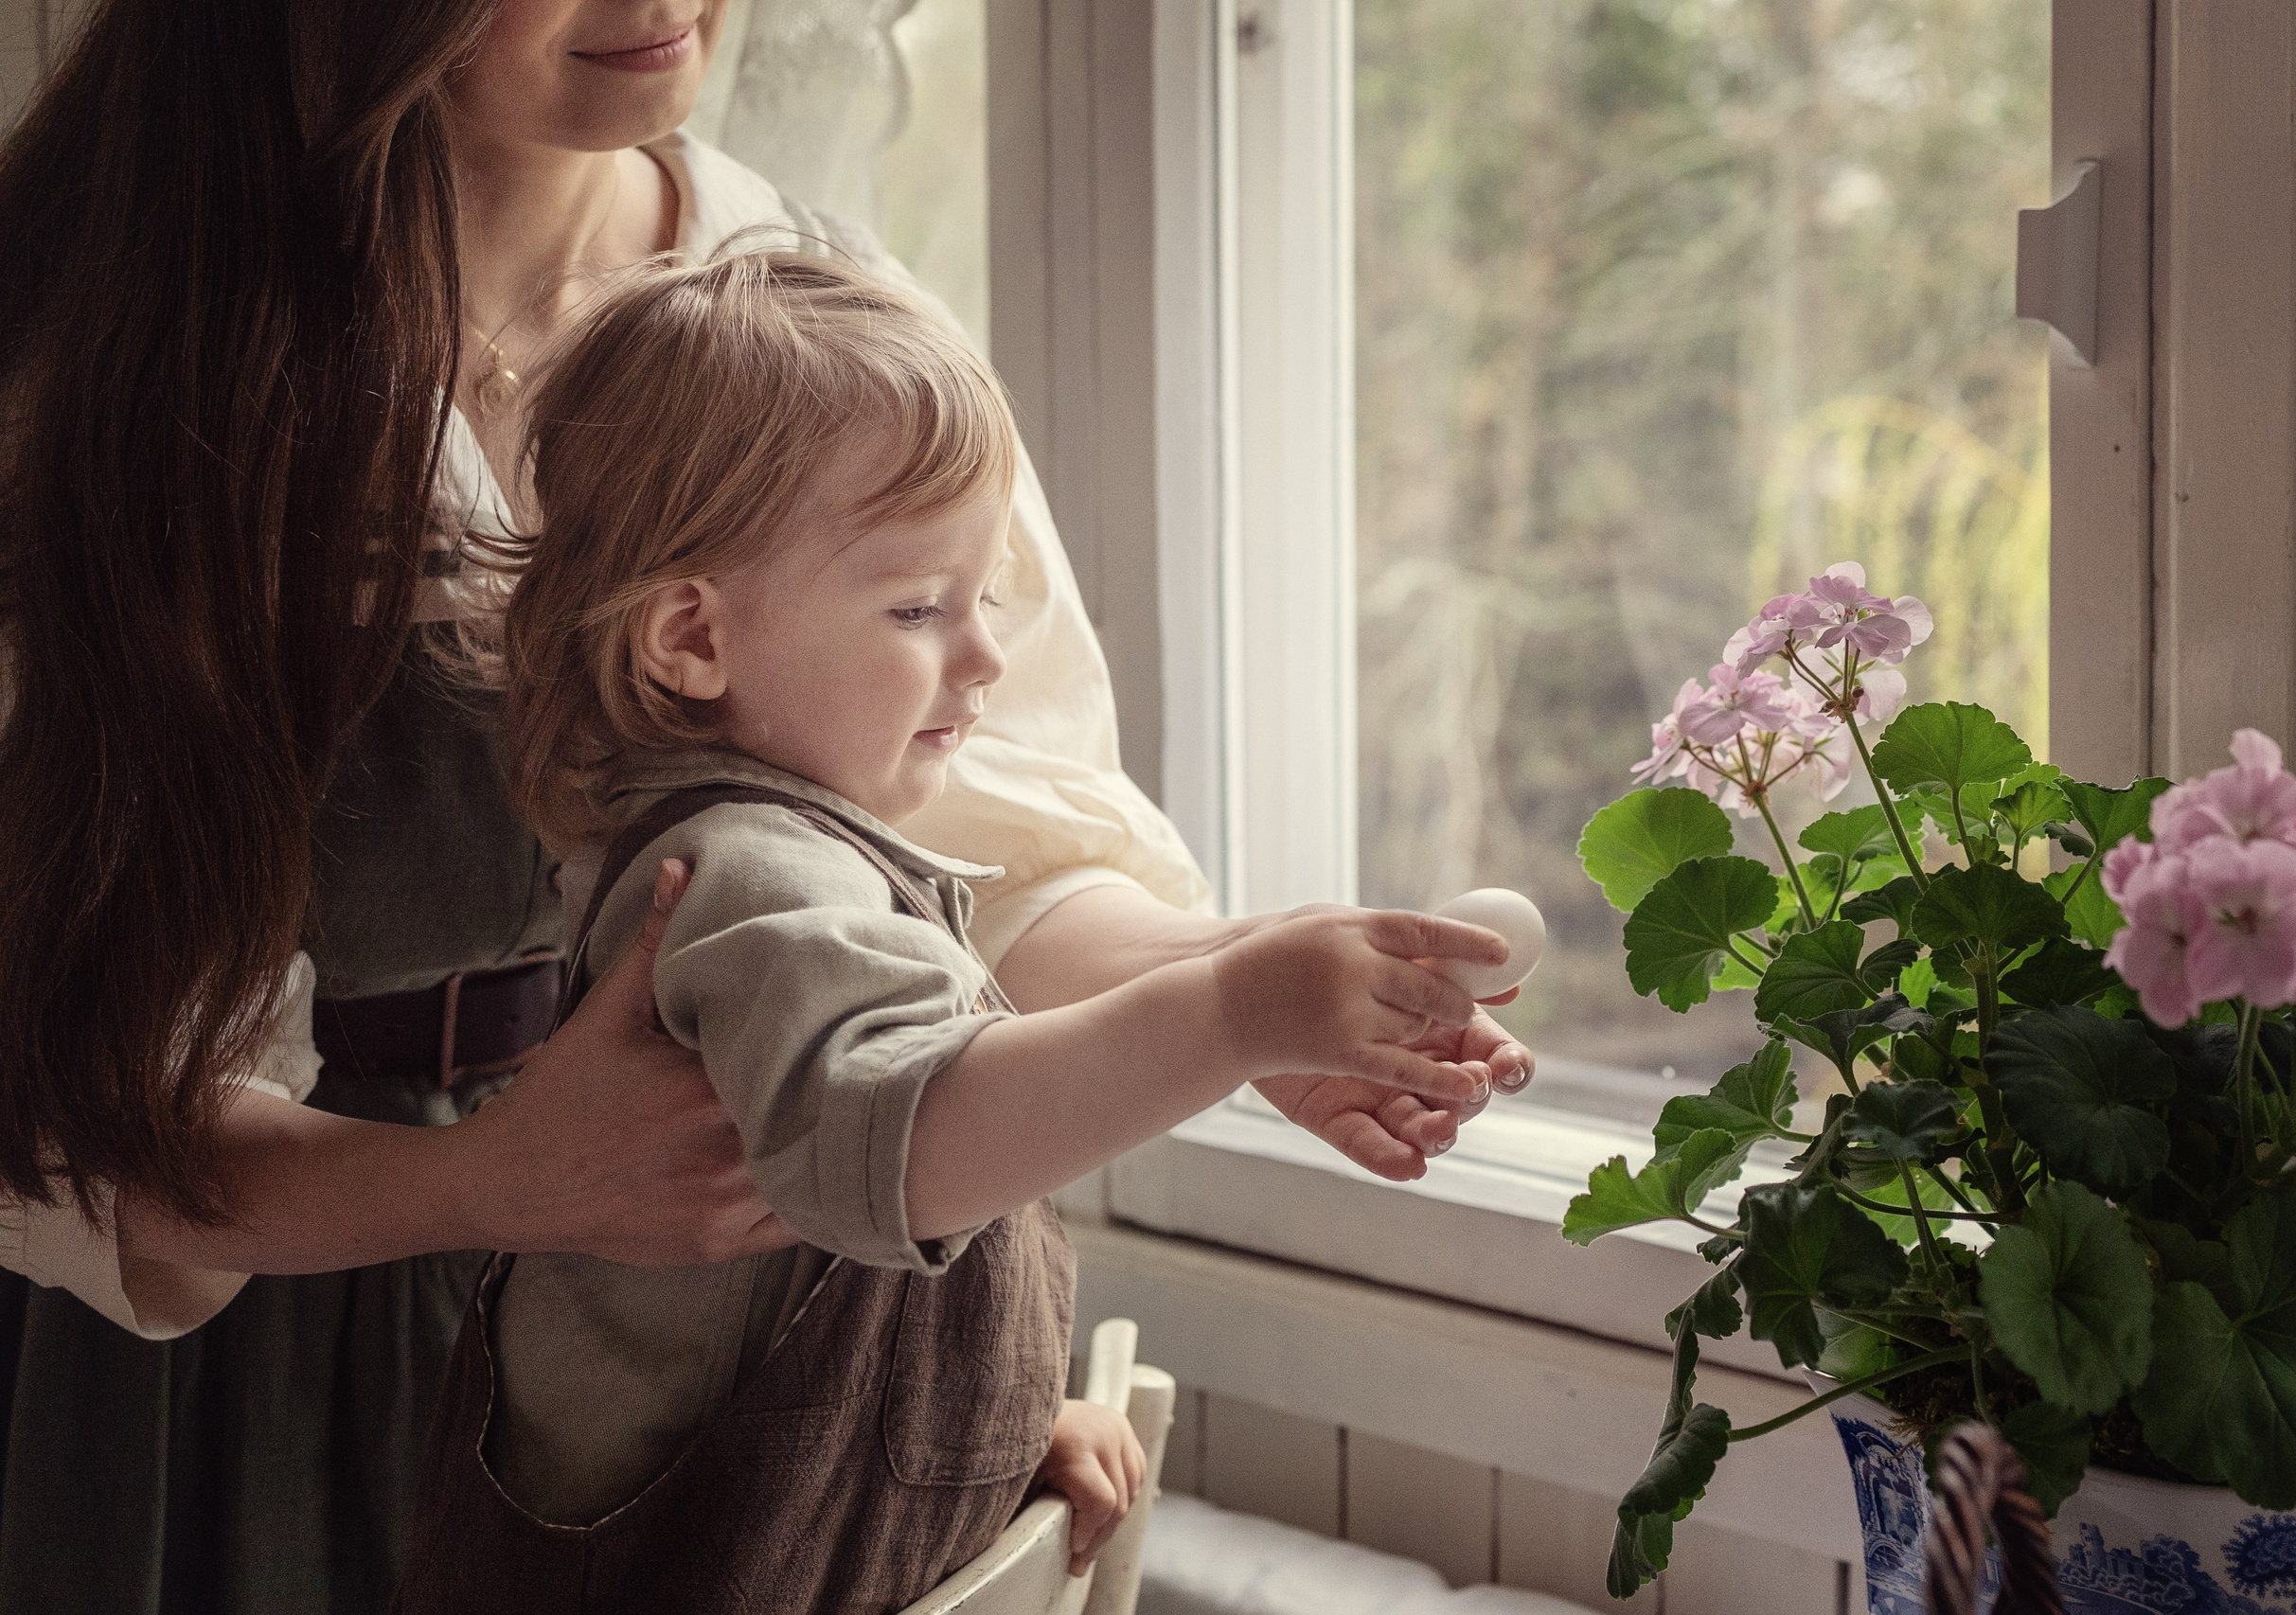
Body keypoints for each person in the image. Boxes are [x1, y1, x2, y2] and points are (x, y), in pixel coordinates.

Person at [0, 4, 1533, 1610]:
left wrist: (1245, 983)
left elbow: (968, 842)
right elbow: (83, 1106)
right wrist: (494, 1180)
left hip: (704, 1332)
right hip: (294, 1359)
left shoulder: (794, 299)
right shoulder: (129, 374)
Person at [390, 249, 1504, 1613]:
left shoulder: (824, 855)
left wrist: (984, 1438)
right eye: (920, 607)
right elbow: (910, 1146)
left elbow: (773, 1318)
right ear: (692, 637)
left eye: (986, 600)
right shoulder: (749, 880)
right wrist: (1229, 1015)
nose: (981, 659)